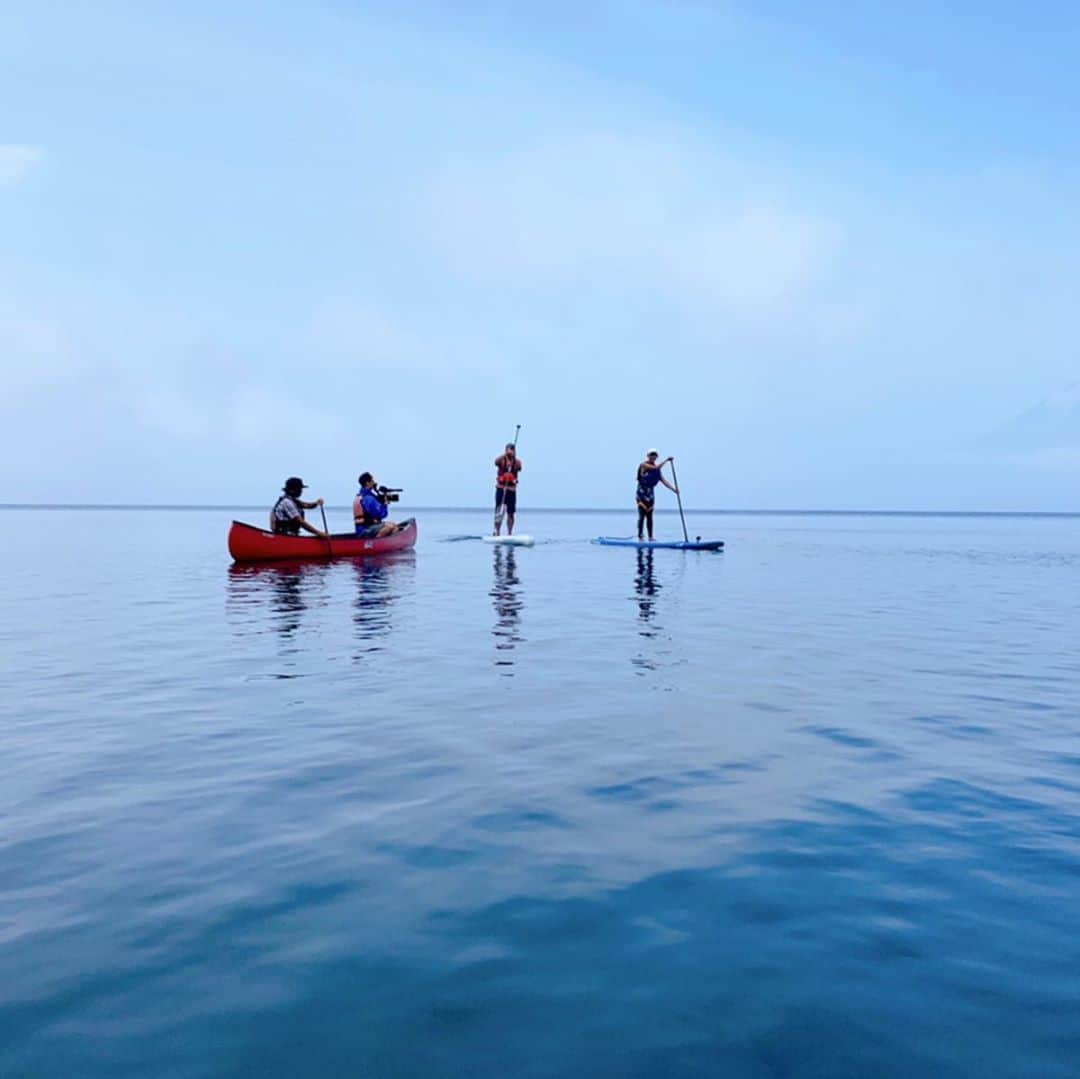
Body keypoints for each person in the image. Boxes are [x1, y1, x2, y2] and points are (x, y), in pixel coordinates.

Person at [636, 449, 677, 540]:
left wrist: (674, 490)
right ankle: (640, 536)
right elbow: (655, 468)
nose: (653, 456)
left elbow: (663, 481)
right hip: (642, 492)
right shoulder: (643, 465)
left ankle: (650, 537)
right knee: (642, 514)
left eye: (655, 455)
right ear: (648, 455)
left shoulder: (657, 469)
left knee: (650, 516)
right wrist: (666, 460)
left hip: (650, 493)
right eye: (651, 455)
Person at [353, 472, 399, 538]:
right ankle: (376, 542)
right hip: (365, 530)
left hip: (361, 529)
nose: (374, 482)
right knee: (391, 526)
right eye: (372, 480)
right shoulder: (368, 498)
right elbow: (380, 514)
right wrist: (385, 504)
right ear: (367, 483)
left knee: (393, 526)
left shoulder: (361, 496)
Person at [493, 442, 522, 536]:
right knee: (499, 510)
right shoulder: (501, 460)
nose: (511, 452)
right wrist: (505, 455)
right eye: (509, 450)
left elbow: (519, 468)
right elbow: (495, 462)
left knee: (511, 513)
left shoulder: (517, 462)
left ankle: (509, 533)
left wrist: (512, 461)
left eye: (513, 450)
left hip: (511, 490)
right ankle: (497, 531)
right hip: (501, 488)